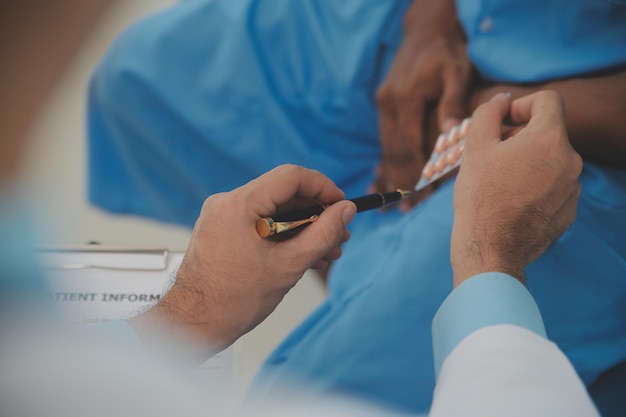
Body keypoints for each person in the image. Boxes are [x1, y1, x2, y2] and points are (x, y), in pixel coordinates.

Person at [0, 1, 603, 415]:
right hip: (443, 35)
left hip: (583, 138)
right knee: (134, 84)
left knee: (318, 385)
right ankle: (369, 273)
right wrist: (432, 20)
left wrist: (482, 113)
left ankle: (373, 283)